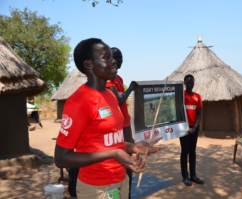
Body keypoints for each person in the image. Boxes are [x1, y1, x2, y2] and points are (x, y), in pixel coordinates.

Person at [54, 38, 164, 199]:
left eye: (112, 57)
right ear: (89, 64)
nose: (114, 61)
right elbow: (61, 159)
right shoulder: (79, 102)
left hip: (121, 180)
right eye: (106, 57)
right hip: (97, 188)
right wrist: (113, 154)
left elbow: (108, 142)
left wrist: (132, 147)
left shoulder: (110, 96)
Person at [105, 47, 136, 199]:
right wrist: (131, 89)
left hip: (125, 124)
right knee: (116, 162)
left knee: (128, 160)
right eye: (115, 58)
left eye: (120, 58)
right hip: (115, 127)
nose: (118, 61)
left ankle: (127, 193)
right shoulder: (107, 80)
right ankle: (116, 195)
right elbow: (118, 99)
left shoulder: (118, 78)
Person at [180, 74, 204, 186]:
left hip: (194, 128)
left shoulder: (197, 96)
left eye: (191, 82)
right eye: (188, 82)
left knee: (192, 152)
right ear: (184, 83)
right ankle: (185, 176)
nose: (190, 84)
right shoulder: (181, 96)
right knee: (185, 151)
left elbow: (200, 113)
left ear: (194, 83)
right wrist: (186, 128)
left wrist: (194, 127)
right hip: (184, 129)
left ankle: (193, 175)